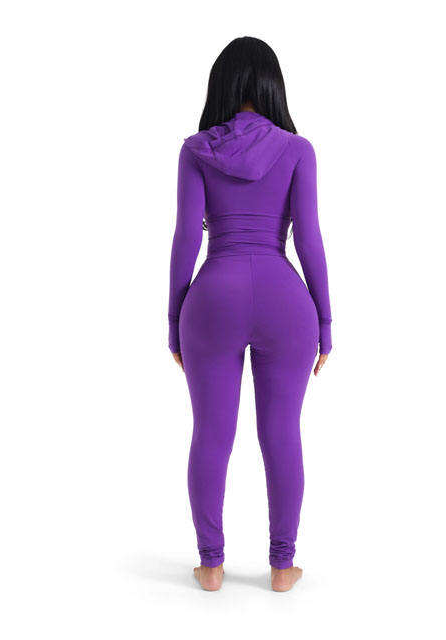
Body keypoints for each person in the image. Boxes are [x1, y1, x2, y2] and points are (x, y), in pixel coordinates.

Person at [168, 37, 332, 592]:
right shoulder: (298, 150)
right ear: (271, 86)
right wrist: (326, 323)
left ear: (221, 85)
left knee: (211, 435)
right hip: (286, 301)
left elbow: (187, 238)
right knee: (282, 433)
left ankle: (211, 566)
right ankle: (282, 568)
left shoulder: (196, 151)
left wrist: (174, 322)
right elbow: (308, 240)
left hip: (213, 296)